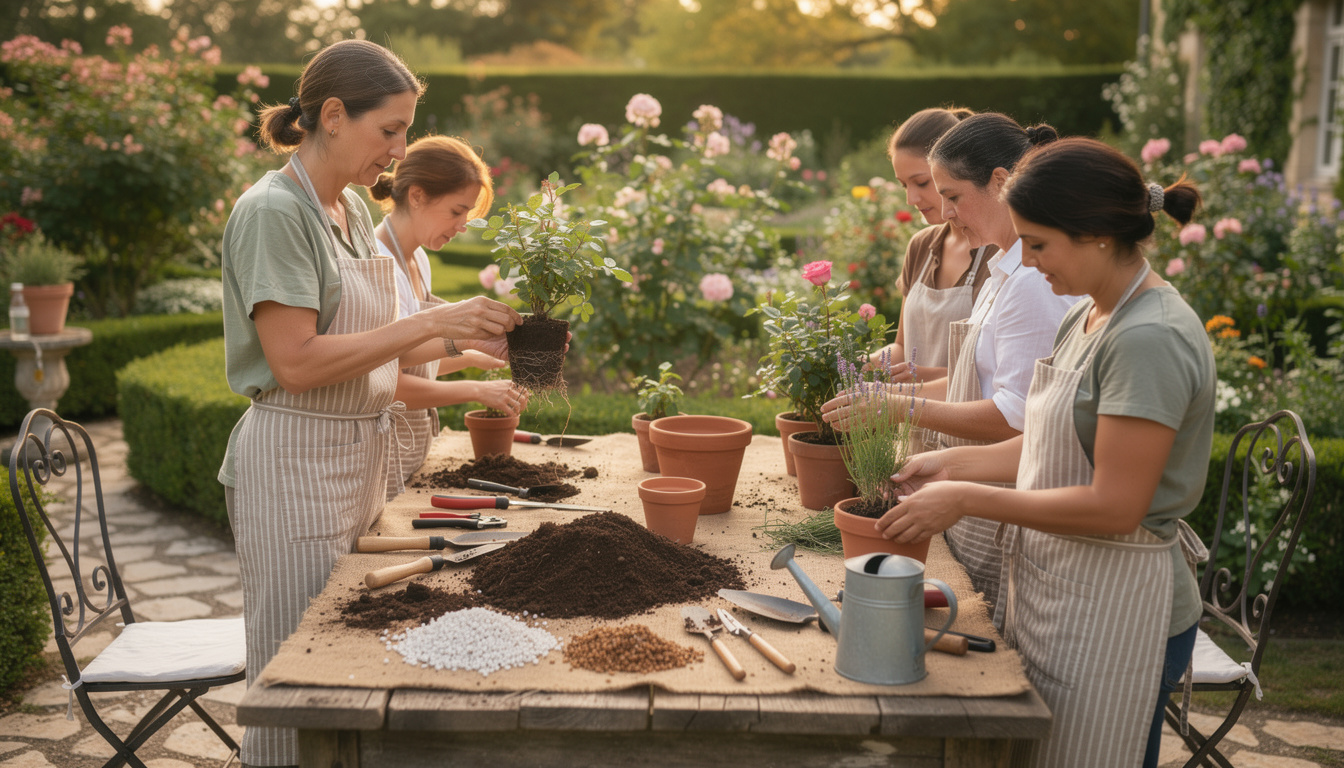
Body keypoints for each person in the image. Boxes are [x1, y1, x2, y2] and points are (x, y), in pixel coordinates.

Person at [217, 40, 523, 767]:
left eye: (406, 130)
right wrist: (432, 323)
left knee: (350, 664)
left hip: (359, 459)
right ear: (330, 116)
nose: (400, 149)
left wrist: (471, 334)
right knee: (298, 678)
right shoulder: (273, 213)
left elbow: (381, 341)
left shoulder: (350, 209)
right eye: (389, 129)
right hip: (296, 466)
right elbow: (295, 362)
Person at [878, 138, 1213, 768]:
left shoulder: (1149, 339)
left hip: (1122, 608)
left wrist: (967, 499)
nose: (1027, 264)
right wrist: (947, 466)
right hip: (1064, 590)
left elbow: (1117, 506)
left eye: (1038, 244)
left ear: (1095, 235)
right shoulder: (1089, 314)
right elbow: (1049, 443)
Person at [825, 112, 1078, 620]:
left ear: (1002, 183)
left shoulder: (1030, 281)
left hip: (996, 496)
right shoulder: (1004, 269)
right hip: (970, 489)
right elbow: (970, 383)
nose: (943, 211)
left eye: (953, 196)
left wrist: (899, 407)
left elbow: (1017, 415)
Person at [369, 134, 528, 494]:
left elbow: (415, 361)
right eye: (456, 211)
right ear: (418, 195)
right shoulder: (379, 265)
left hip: (410, 450)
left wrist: (479, 356)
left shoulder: (417, 258)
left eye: (467, 214)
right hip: (380, 454)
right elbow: (384, 381)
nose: (462, 226)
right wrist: (475, 389)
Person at [870, 107, 994, 452]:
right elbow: (901, 346)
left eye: (922, 183)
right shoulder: (922, 247)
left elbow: (992, 378)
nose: (912, 199)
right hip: (915, 430)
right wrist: (856, 365)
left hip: (971, 440)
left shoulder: (998, 253)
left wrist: (916, 380)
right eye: (903, 185)